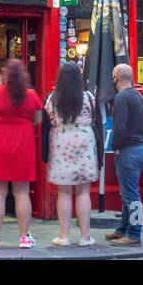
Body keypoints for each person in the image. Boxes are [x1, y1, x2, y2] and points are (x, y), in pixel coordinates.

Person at [0, 59, 43, 249]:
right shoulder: (30, 94)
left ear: (4, 74)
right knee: (22, 192)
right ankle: (24, 237)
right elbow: (37, 120)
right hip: (23, 145)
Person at [43, 62, 98, 247]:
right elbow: (95, 118)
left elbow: (47, 122)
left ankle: (64, 236)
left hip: (61, 146)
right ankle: (85, 237)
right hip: (84, 144)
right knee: (83, 192)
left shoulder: (52, 99)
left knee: (64, 192)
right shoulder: (89, 97)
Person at [106, 63, 143, 247]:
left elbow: (119, 127)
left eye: (113, 76)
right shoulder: (139, 96)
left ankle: (135, 234)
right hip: (141, 148)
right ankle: (122, 229)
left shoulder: (122, 98)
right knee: (127, 192)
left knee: (131, 195)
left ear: (116, 77)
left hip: (128, 151)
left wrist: (116, 146)